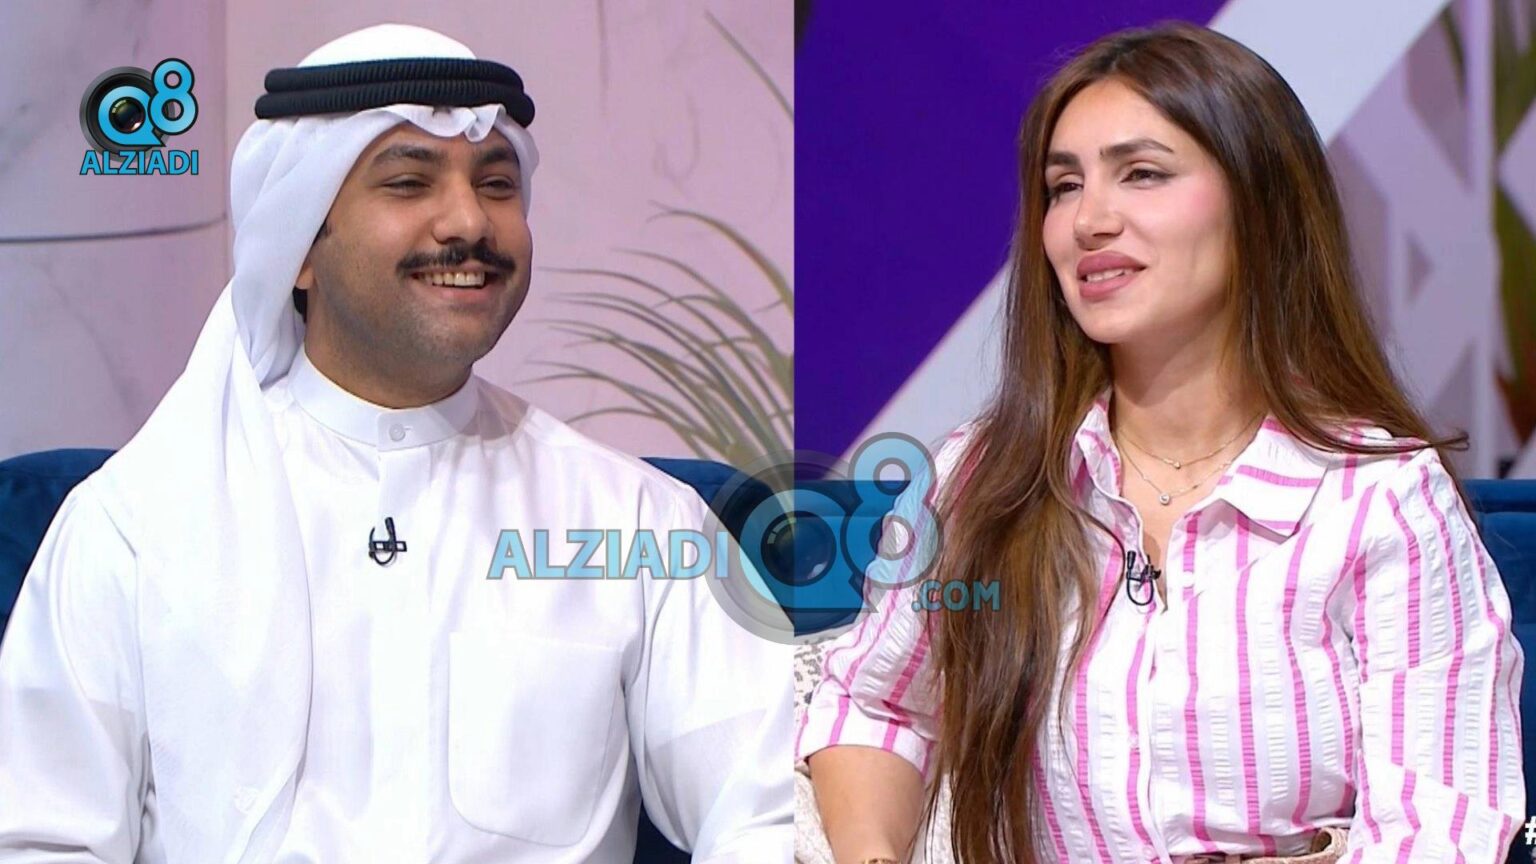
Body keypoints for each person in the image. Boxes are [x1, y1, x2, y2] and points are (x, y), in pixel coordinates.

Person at [0, 24, 791, 863]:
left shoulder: (638, 522)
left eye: (497, 184)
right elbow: (44, 838)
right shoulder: (133, 525)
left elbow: (768, 811)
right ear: (299, 247)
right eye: (410, 182)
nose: (469, 220)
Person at [798, 22, 1523, 864]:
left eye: (1141, 174)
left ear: (1259, 201)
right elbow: (876, 707)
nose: (1089, 220)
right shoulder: (979, 478)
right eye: (1063, 186)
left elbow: (1441, 829)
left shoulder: (1381, 500)